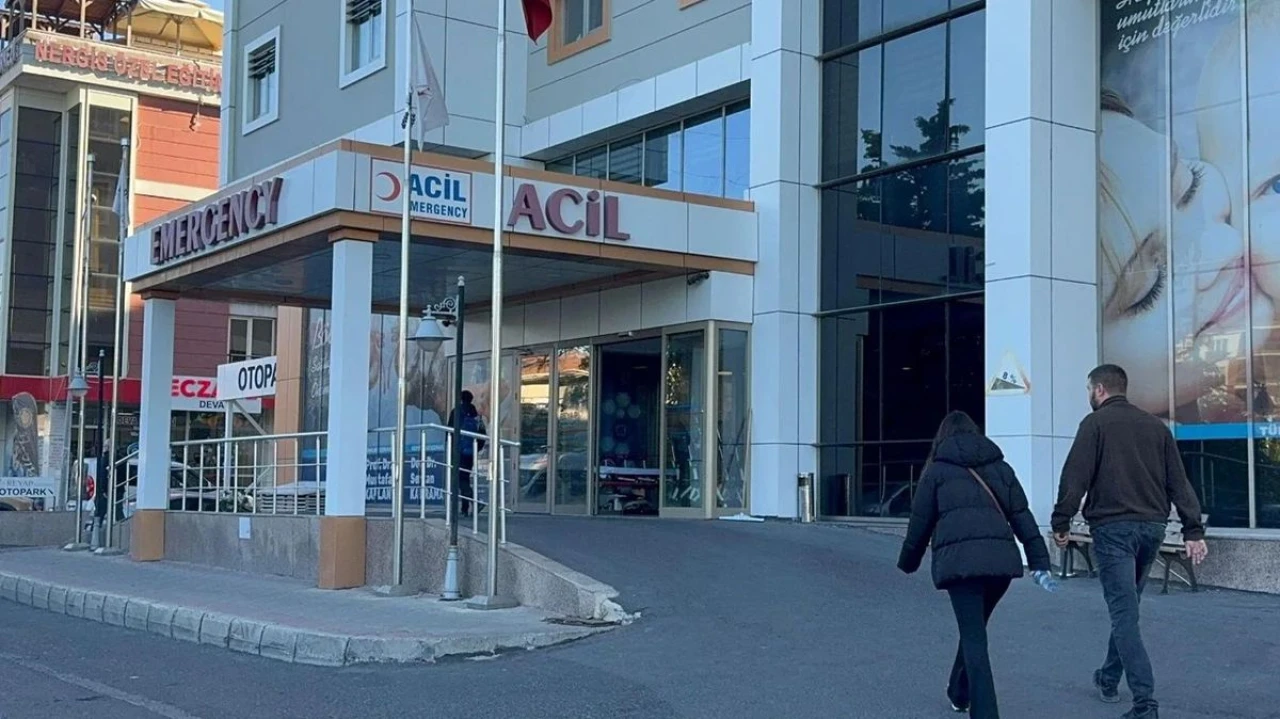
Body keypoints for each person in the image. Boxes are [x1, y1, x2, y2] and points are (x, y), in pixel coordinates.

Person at [1052, 364, 1209, 719]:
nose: (1089, 395)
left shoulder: (1094, 424)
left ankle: (1145, 704)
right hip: (1152, 529)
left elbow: (1074, 477)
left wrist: (1061, 521)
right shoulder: (1156, 427)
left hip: (1113, 531)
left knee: (1124, 614)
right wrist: (1193, 529)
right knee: (1128, 610)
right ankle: (1108, 678)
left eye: (1088, 389)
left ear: (1099, 390)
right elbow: (1178, 482)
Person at [899, 411, 1055, 719]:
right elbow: (1021, 515)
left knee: (973, 636)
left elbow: (920, 521)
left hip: (960, 567)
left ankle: (985, 713)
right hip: (1000, 567)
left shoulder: (936, 471)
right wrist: (1039, 560)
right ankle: (959, 692)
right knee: (974, 630)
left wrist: (908, 561)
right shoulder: (999, 467)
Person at [446, 390, 486, 517]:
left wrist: (451, 448)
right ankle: (465, 508)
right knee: (465, 478)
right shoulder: (475, 414)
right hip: (470, 452)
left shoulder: (456, 412)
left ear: (461, 398)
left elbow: (449, 431)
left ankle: (475, 502)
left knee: (460, 479)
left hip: (459, 451)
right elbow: (482, 434)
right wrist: (476, 448)